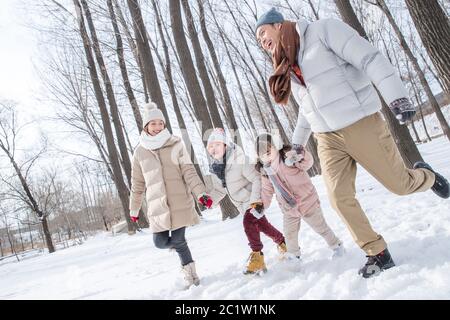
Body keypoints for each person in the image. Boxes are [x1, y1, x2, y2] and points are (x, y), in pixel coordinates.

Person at [255, 8, 449, 278]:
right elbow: (306, 109)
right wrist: (297, 145)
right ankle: (377, 252)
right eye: (258, 40)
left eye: (263, 32)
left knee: (400, 186)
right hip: (327, 138)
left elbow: (369, 58)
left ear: (278, 25)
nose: (262, 41)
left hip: (360, 123)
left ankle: (427, 176)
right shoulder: (289, 64)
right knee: (338, 197)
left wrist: (397, 96)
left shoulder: (323, 31)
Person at [129, 101, 213, 289]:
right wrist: (134, 208)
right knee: (159, 243)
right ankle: (181, 249)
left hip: (179, 202)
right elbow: (137, 184)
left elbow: (189, 171)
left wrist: (201, 194)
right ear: (146, 126)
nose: (158, 127)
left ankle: (191, 275)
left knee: (177, 239)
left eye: (161, 123)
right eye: (153, 123)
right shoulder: (140, 152)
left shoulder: (175, 143)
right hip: (157, 206)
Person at [206, 128, 286, 275]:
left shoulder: (239, 159)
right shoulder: (217, 169)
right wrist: (210, 200)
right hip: (241, 204)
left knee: (248, 223)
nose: (213, 148)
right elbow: (220, 190)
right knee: (263, 226)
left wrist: (256, 201)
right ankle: (282, 242)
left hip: (253, 199)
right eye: (210, 146)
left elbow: (257, 178)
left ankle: (257, 257)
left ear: (225, 145)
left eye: (217, 144)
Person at [256, 133, 344, 260]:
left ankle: (337, 246)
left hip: (308, 202)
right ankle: (294, 257)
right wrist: (261, 205)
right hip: (288, 209)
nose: (266, 153)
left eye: (269, 148)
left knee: (321, 227)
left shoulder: (288, 157)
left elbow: (307, 163)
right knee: (289, 234)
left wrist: (299, 156)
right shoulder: (265, 172)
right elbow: (266, 191)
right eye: (262, 152)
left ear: (277, 146)